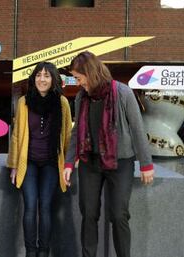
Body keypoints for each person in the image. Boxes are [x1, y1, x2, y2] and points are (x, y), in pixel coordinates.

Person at [63, 51, 154, 257]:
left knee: (119, 215)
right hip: (90, 162)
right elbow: (77, 131)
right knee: (89, 214)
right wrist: (69, 163)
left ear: (90, 73)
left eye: (79, 77)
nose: (78, 83)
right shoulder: (81, 97)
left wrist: (146, 165)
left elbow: (137, 128)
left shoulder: (122, 93)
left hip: (120, 163)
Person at [7, 62, 72, 257]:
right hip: (29, 162)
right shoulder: (24, 102)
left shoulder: (62, 102)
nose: (42, 79)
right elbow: (17, 135)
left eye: (46, 76)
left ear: (53, 79)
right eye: (38, 75)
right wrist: (14, 165)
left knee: (45, 206)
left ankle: (43, 251)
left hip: (52, 162)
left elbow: (67, 134)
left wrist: (68, 165)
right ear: (33, 78)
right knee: (30, 206)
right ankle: (30, 251)